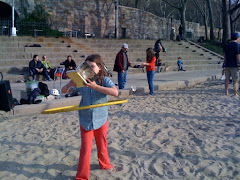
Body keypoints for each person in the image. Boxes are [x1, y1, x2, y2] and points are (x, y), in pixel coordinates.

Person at [61, 54, 118, 180]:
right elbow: (63, 91)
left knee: (101, 143)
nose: (90, 70)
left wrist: (96, 87)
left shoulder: (104, 80)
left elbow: (115, 92)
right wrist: (70, 84)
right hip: (86, 119)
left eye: (93, 66)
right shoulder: (81, 82)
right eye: (88, 67)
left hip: (101, 118)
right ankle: (81, 176)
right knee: (86, 148)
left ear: (99, 67)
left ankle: (104, 164)